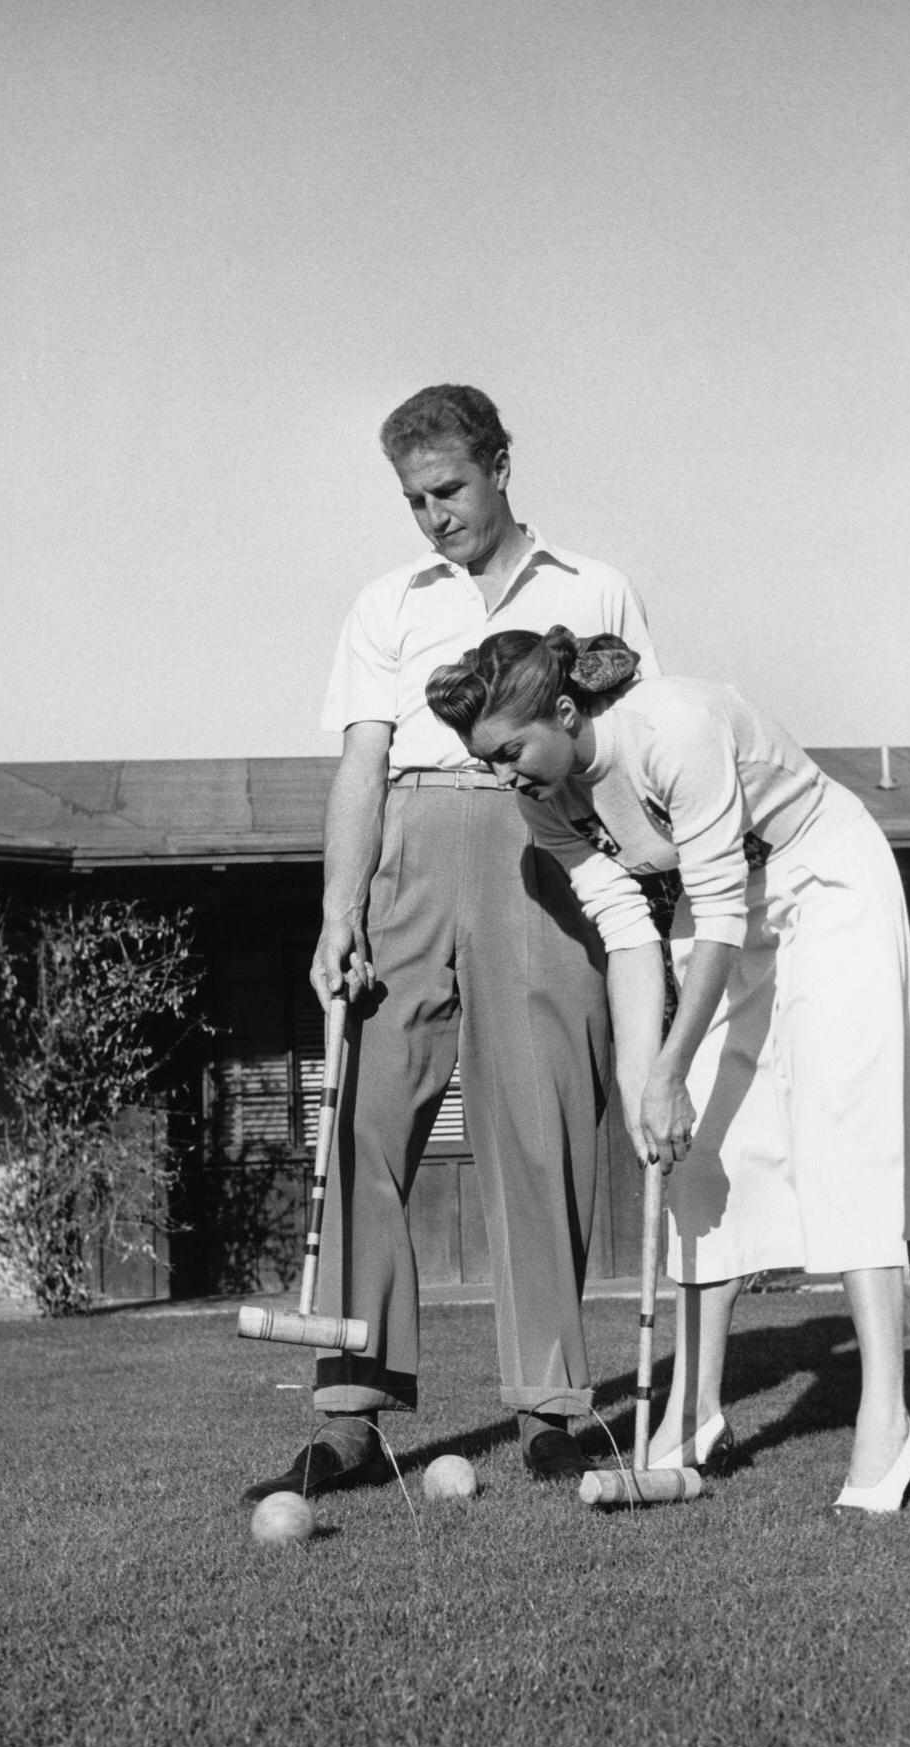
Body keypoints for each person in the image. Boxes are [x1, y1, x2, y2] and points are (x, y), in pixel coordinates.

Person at [425, 626, 910, 1513]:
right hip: (723, 919)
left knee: (840, 1132)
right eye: (488, 762)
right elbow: (627, 928)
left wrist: (668, 1064)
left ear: (562, 711)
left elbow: (714, 910)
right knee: (696, 1152)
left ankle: (887, 1423)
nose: (504, 775)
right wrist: (645, 1086)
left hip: (826, 884)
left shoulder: (675, 729)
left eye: (511, 751)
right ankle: (694, 1412)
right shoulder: (543, 801)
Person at [242, 389, 659, 1502]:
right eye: (412, 499)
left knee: (542, 1130)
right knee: (365, 1124)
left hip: (543, 852)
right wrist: (340, 910)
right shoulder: (386, 601)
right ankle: (348, 1416)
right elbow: (361, 764)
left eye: (449, 489)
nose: (432, 516)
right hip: (411, 853)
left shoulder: (594, 585)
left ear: (500, 464)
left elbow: (621, 745)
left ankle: (552, 1410)